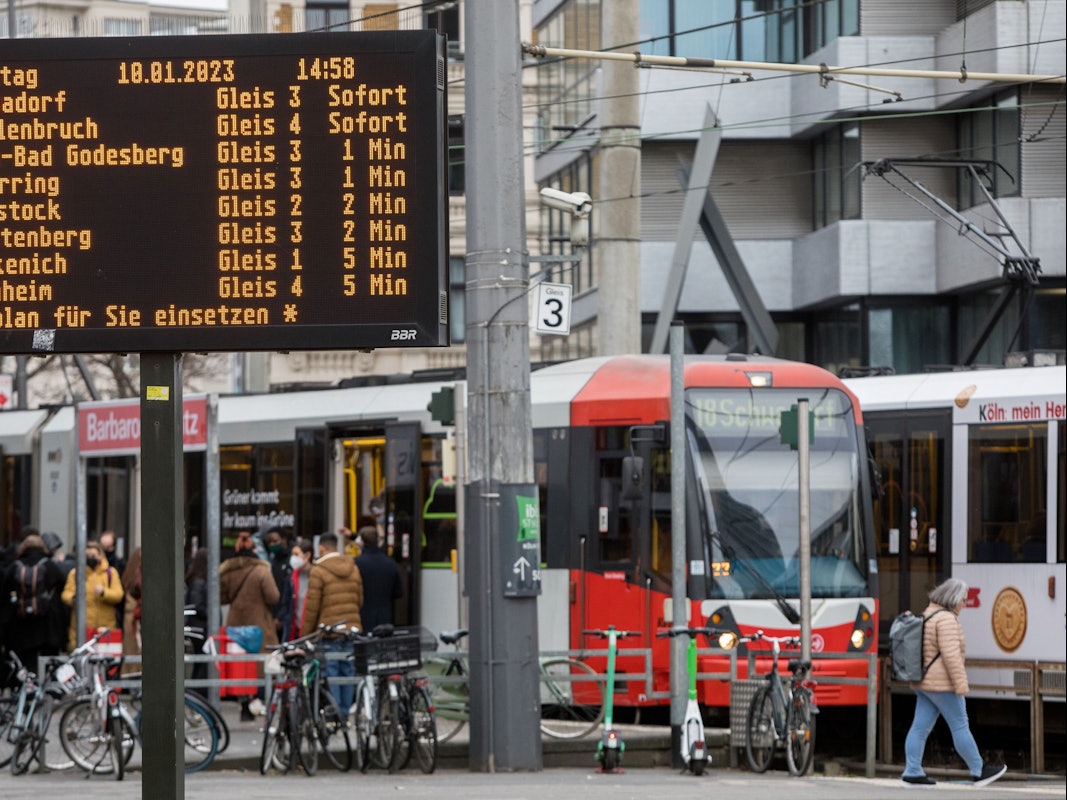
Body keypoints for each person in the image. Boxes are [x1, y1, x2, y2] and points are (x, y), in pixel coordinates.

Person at [901, 578, 1007, 788]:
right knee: (960, 726)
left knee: (919, 728)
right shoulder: (947, 619)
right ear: (953, 599)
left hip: (925, 683)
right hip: (943, 685)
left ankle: (912, 771)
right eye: (963, 600)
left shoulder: (928, 614)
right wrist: (961, 684)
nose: (964, 604)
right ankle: (979, 770)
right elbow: (951, 656)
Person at [219, 530, 279, 720]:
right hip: (260, 625)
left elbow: (221, 598)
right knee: (261, 664)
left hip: (236, 623)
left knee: (241, 665)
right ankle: (260, 700)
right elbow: (273, 597)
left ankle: (245, 705)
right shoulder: (262, 571)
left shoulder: (227, 571)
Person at [303, 531, 363, 712]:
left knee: (332, 674)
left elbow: (312, 608)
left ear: (321, 548)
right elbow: (360, 600)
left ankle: (336, 715)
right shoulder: (353, 567)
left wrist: (306, 636)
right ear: (336, 548)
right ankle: (345, 713)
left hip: (329, 632)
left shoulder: (318, 571)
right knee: (348, 672)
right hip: (351, 629)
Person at [2, 534, 65, 671]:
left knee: (26, 662)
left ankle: (28, 688)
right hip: (46, 623)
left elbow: (5, 588)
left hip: (21, 622)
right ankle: (48, 689)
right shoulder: (49, 565)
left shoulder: (15, 566)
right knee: (49, 661)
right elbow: (61, 584)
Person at [60, 540, 125, 651]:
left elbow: (119, 595)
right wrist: (73, 598)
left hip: (105, 628)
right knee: (83, 662)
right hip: (82, 628)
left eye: (94, 555)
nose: (91, 558)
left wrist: (104, 592)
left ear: (100, 555)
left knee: (105, 663)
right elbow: (65, 594)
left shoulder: (111, 573)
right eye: (87, 555)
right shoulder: (75, 573)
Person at [353, 525, 403, 631]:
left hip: (362, 616)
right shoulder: (390, 563)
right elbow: (399, 592)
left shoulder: (356, 563)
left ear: (361, 542)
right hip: (384, 617)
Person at [263, 527, 294, 644]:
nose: (272, 545)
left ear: (284, 539)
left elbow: (288, 594)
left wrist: (281, 617)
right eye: (269, 542)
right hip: (274, 615)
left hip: (287, 617)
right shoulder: (273, 561)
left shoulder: (292, 560)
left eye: (275, 541)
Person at [120, 547, 143, 674]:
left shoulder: (128, 575)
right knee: (135, 647)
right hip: (136, 617)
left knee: (131, 648)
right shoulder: (138, 576)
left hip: (130, 616)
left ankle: (131, 674)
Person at [287, 537, 314, 641]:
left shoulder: (317, 576)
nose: (293, 558)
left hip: (311, 633)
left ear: (307, 555)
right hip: (294, 632)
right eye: (292, 554)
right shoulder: (291, 577)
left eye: (296, 554)